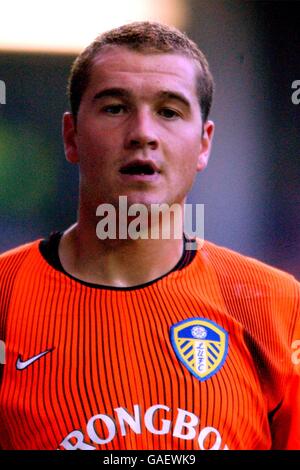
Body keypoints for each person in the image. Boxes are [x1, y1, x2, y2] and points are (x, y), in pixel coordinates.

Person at [0, 21, 299, 451]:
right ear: (72, 137)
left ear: (203, 145)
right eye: (115, 108)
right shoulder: (6, 299)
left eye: (169, 111)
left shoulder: (276, 306)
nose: (143, 133)